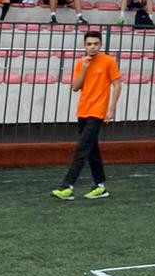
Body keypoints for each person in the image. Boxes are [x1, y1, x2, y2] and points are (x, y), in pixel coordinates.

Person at [50, 30, 121, 201]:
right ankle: (100, 186)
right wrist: (84, 68)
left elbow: (117, 85)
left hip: (97, 111)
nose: (93, 47)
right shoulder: (80, 63)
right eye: (89, 44)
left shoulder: (109, 61)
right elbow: (75, 87)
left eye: (96, 44)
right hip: (83, 110)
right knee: (92, 150)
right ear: (85, 45)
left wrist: (111, 109)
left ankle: (67, 186)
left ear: (101, 45)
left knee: (82, 148)